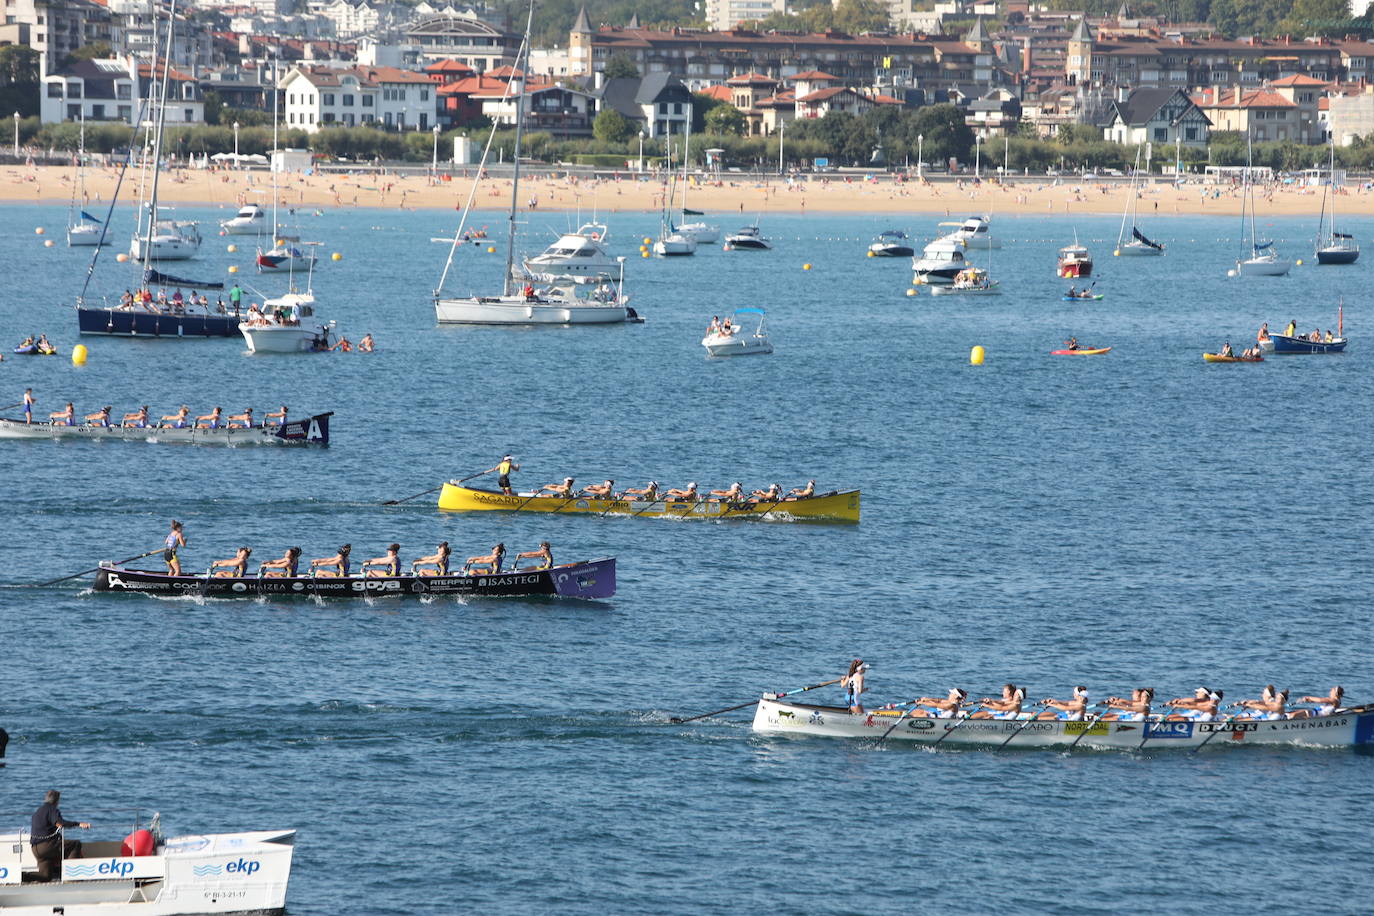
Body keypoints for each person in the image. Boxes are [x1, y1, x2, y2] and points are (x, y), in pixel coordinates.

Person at [30, 790, 90, 882]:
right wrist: (78, 824)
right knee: (75, 844)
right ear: (57, 801)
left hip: (36, 849)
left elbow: (46, 828)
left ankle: (22, 876)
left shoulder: (38, 812)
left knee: (45, 876)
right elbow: (60, 823)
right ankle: (71, 877)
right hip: (47, 846)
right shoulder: (52, 809)